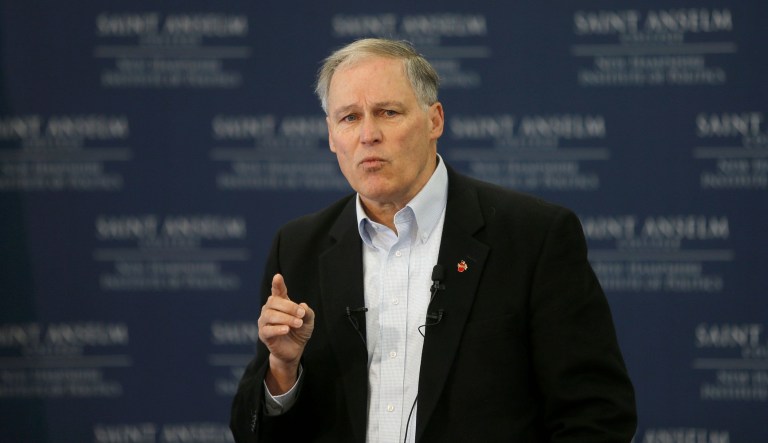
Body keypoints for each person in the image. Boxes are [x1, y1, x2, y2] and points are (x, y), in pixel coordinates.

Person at [230, 38, 636, 442]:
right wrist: (282, 371)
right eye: (350, 118)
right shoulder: (300, 247)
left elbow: (596, 414)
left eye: (388, 112)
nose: (368, 134)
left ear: (434, 121)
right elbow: (256, 433)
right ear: (332, 136)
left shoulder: (533, 236)